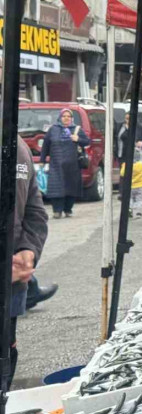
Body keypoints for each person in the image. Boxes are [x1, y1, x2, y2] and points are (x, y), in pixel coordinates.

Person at [10, 134, 49, 388]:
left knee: (6, 352)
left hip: (12, 289)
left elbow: (35, 212)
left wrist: (28, 249)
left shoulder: (18, 146)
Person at [40, 108, 90, 219]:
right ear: (60, 117)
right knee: (56, 188)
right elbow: (45, 146)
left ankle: (68, 209)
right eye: (64, 116)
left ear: (72, 118)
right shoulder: (53, 129)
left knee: (70, 188)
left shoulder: (77, 129)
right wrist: (42, 161)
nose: (66, 118)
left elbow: (87, 142)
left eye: (69, 116)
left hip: (72, 165)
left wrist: (78, 139)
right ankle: (57, 211)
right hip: (56, 164)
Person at [120, 144, 142, 219]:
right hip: (139, 186)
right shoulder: (140, 165)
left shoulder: (126, 165)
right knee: (139, 199)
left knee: (130, 199)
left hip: (130, 186)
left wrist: (123, 166)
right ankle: (138, 212)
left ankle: (130, 209)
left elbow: (122, 173)